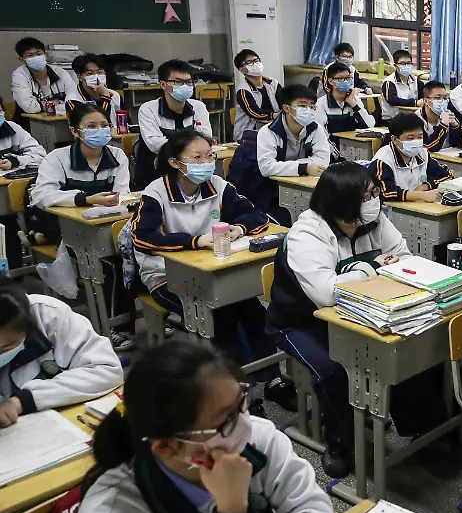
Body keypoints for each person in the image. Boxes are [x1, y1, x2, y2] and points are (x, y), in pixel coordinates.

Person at [78, 340, 334, 513]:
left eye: (241, 402)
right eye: (225, 420)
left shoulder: (257, 439)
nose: (244, 423)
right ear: (166, 447)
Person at [267, 162, 448, 476]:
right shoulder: (308, 233)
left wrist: (366, 272)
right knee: (334, 369)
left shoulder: (373, 220)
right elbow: (326, 294)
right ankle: (340, 442)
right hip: (302, 322)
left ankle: (424, 428)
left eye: (374, 193)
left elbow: (404, 258)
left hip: (361, 314)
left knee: (410, 346)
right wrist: (373, 266)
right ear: (340, 201)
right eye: (365, 197)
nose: (374, 201)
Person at [130, 130, 295, 411]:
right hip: (167, 276)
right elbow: (142, 237)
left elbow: (256, 216)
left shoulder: (217, 184)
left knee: (255, 313)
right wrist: (194, 242)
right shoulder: (156, 192)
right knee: (222, 319)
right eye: (197, 157)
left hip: (215, 272)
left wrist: (238, 228)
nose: (206, 163)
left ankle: (272, 380)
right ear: (175, 163)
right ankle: (240, 391)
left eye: (209, 156)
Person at [30, 104, 134, 349]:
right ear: (75, 131)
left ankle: (150, 315)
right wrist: (84, 199)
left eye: (104, 125)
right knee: (112, 265)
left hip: (106, 223)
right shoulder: (58, 158)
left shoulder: (117, 155)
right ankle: (118, 327)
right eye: (91, 126)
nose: (100, 131)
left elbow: (122, 193)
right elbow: (42, 195)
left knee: (135, 256)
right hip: (69, 226)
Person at [0, 276, 122, 427]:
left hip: (64, 422)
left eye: (7, 346)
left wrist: (24, 400)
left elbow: (107, 369)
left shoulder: (48, 315)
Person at [227, 84, 330, 226]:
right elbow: (267, 167)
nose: (308, 110)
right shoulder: (268, 132)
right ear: (286, 108)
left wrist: (288, 167)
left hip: (296, 185)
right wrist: (304, 167)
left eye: (312, 106)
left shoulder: (315, 129)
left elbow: (323, 160)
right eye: (302, 105)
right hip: (264, 192)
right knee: (284, 218)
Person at [134, 59, 213, 190]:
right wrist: (192, 146)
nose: (185, 86)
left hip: (191, 171)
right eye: (178, 82)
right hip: (154, 173)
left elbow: (206, 138)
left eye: (189, 82)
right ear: (163, 85)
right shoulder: (148, 109)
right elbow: (155, 145)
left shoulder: (198, 107)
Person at [370, 113, 453, 203]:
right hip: (390, 209)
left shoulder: (422, 153)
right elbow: (386, 192)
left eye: (420, 137)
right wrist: (422, 195)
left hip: (418, 206)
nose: (416, 142)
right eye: (410, 138)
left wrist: (424, 186)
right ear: (395, 139)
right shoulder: (383, 159)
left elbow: (447, 175)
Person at [0, 108, 47, 260]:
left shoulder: (12, 128)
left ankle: (16, 263)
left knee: (13, 223)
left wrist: (16, 160)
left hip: (12, 189)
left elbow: (40, 154)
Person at [10, 37, 73, 124]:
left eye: (38, 54)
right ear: (21, 58)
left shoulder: (60, 72)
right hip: (29, 125)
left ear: (45, 54)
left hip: (62, 122)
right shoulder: (19, 75)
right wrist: (58, 103)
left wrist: (43, 105)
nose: (35, 58)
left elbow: (75, 100)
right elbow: (30, 107)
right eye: (30, 55)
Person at [231, 49, 281, 140]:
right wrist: (273, 115)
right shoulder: (243, 90)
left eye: (256, 60)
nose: (255, 64)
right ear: (241, 69)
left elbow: (284, 101)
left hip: (273, 128)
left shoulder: (273, 84)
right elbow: (254, 112)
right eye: (249, 62)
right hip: (249, 133)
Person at [315, 62, 374, 135]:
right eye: (340, 78)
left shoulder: (355, 100)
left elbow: (370, 125)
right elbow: (321, 134)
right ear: (331, 81)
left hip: (352, 141)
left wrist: (353, 105)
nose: (345, 81)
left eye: (348, 78)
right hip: (331, 142)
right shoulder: (321, 104)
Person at [65, 53, 122, 124]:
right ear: (80, 77)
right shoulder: (73, 99)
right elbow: (98, 124)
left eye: (99, 72)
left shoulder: (115, 95)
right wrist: (106, 98)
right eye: (90, 73)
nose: (96, 77)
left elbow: (126, 123)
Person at [415, 81, 458, 152]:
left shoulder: (447, 114)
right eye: (437, 98)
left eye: (445, 98)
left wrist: (455, 126)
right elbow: (428, 147)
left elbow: (460, 142)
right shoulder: (415, 120)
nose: (442, 101)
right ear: (426, 101)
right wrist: (443, 125)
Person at [380, 49, 423, 120]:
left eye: (409, 63)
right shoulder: (389, 82)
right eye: (402, 63)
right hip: (392, 120)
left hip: (412, 118)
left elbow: (423, 97)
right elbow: (392, 100)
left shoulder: (416, 80)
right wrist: (415, 103)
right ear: (395, 65)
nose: (406, 66)